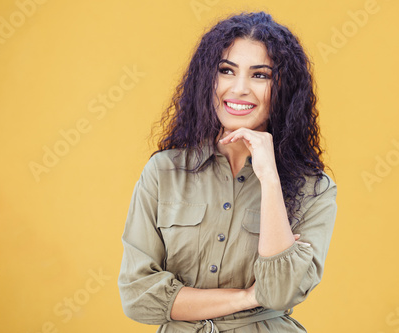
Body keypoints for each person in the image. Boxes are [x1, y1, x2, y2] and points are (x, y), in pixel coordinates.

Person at [118, 11, 338, 332]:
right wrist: (248, 297)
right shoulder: (163, 172)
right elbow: (138, 297)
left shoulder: (314, 189)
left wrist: (270, 177)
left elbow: (280, 292)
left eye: (260, 75)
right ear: (208, 79)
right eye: (226, 71)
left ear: (284, 87)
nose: (239, 88)